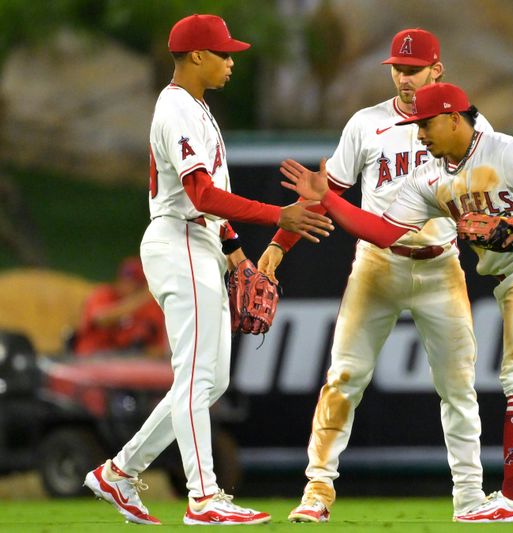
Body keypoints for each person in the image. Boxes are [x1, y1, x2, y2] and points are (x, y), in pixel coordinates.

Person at [280, 82, 513, 523]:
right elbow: (382, 232)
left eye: (426, 125)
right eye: (416, 126)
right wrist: (326, 197)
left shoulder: (506, 150)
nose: (420, 135)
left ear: (454, 118)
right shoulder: (430, 178)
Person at [83, 14, 333, 526]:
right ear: (196, 56)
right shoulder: (175, 108)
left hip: (201, 242)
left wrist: (237, 254)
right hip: (177, 240)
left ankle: (120, 471)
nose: (232, 61)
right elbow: (200, 195)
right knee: (196, 377)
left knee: (209, 382)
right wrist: (276, 215)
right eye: (223, 53)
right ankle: (204, 497)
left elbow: (211, 209)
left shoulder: (197, 108)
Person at [259, 29, 491, 523]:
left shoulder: (462, 122)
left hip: (440, 263)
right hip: (376, 266)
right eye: (399, 69)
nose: (405, 78)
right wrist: (280, 245)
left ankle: (470, 498)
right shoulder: (367, 124)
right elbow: (324, 192)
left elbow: (494, 182)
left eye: (415, 69)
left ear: (437, 70)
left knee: (458, 386)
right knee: (343, 377)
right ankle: (317, 490)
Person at [73, 257, 168, 358]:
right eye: (125, 281)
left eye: (135, 283)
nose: (127, 286)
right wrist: (140, 299)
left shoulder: (150, 307)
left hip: (126, 362)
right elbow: (102, 319)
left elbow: (159, 349)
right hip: (89, 360)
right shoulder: (103, 294)